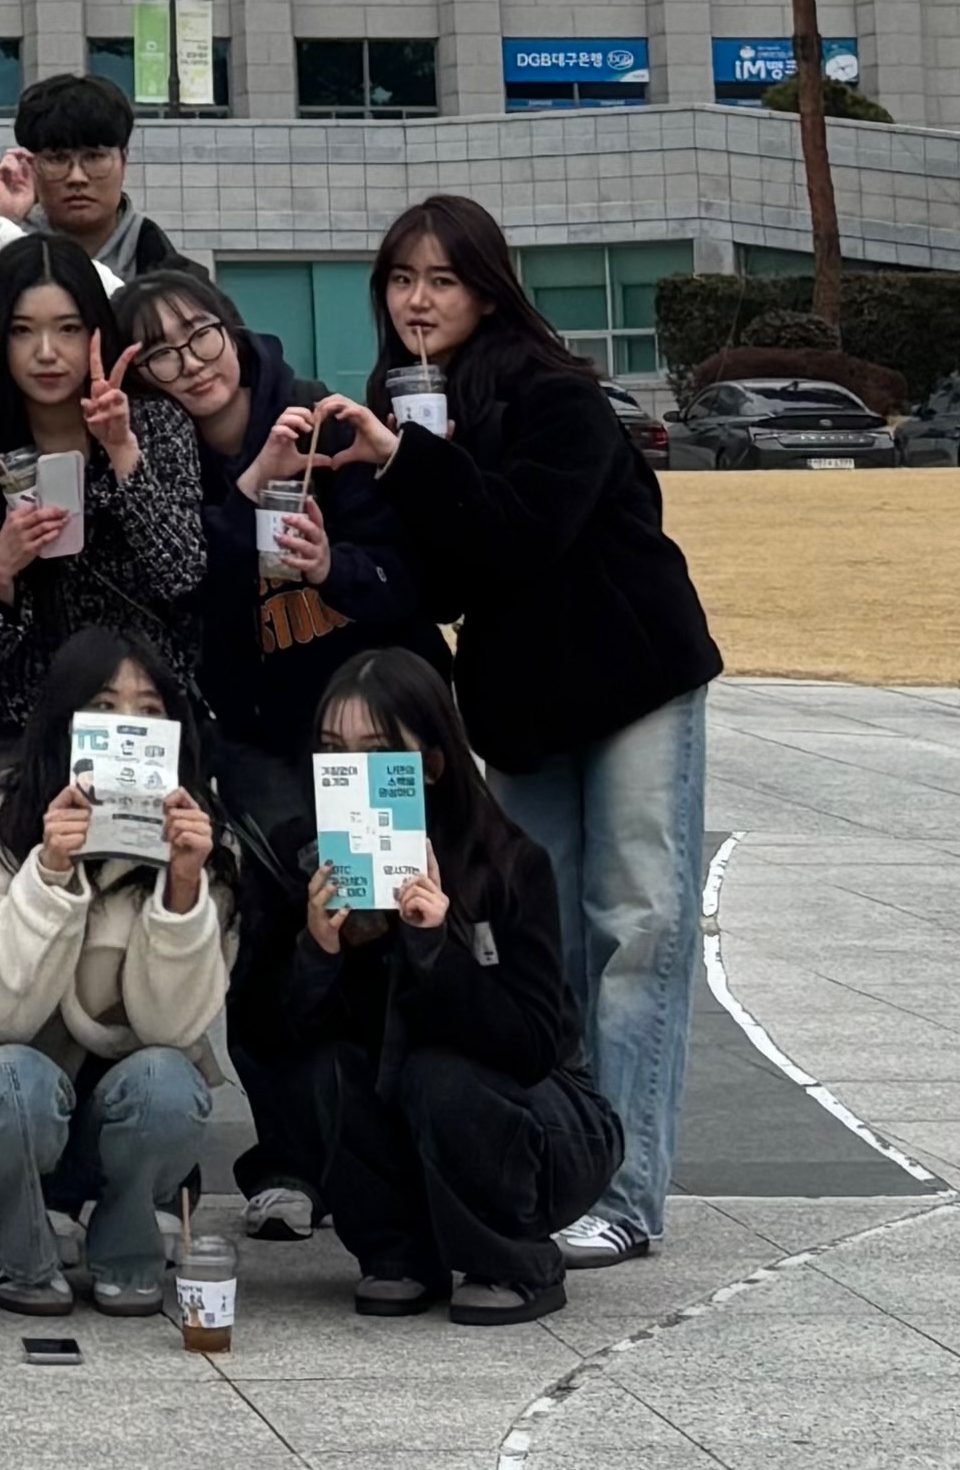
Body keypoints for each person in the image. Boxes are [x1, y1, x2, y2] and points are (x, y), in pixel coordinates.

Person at [333, 196, 720, 1269]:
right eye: (400, 278)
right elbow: (440, 583)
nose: (417, 300)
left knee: (637, 927)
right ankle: (557, 1165)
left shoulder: (560, 395)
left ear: (489, 289)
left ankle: (626, 1193)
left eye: (441, 278)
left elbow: (522, 535)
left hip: (634, 676)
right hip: (525, 706)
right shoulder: (402, 407)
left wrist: (410, 462)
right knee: (530, 934)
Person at [115, 264, 442, 1238]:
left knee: (380, 922)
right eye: (160, 353)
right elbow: (181, 585)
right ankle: (290, 1161)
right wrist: (244, 491)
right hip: (252, 739)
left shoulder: (321, 420)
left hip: (360, 728)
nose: (190, 363)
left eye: (200, 334)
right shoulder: (164, 455)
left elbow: (411, 578)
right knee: (267, 941)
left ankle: (395, 1152)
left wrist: (332, 565)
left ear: (230, 327)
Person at [284, 648, 624, 1325]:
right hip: (405, 1123)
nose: (352, 774)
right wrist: (316, 952)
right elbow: (272, 1040)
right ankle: (398, 1253)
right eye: (333, 753)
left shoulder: (506, 862)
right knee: (330, 1068)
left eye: (378, 754)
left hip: (545, 1122)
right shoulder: (301, 856)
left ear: (431, 763)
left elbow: (532, 1046)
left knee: (438, 1073)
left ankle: (514, 1261)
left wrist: (434, 947)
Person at [0, 623, 231, 1317]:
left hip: (120, 1108)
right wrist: (50, 873)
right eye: (104, 708)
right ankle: (17, 1240)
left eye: (149, 711)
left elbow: (174, 1030)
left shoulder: (199, 839)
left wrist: (183, 889)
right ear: (66, 725)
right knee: (12, 1079)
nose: (127, 729)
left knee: (169, 1082)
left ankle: (127, 1239)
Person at [0, 234, 206, 739]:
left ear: (95, 332)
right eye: (22, 331)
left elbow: (183, 574)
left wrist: (122, 453)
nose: (46, 353)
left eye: (68, 328)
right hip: (29, 725)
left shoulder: (156, 425)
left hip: (149, 713)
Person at [0, 73, 195, 298]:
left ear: (123, 160)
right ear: (31, 164)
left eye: (94, 157)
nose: (76, 177)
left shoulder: (179, 279)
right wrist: (1, 222)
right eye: (58, 159)